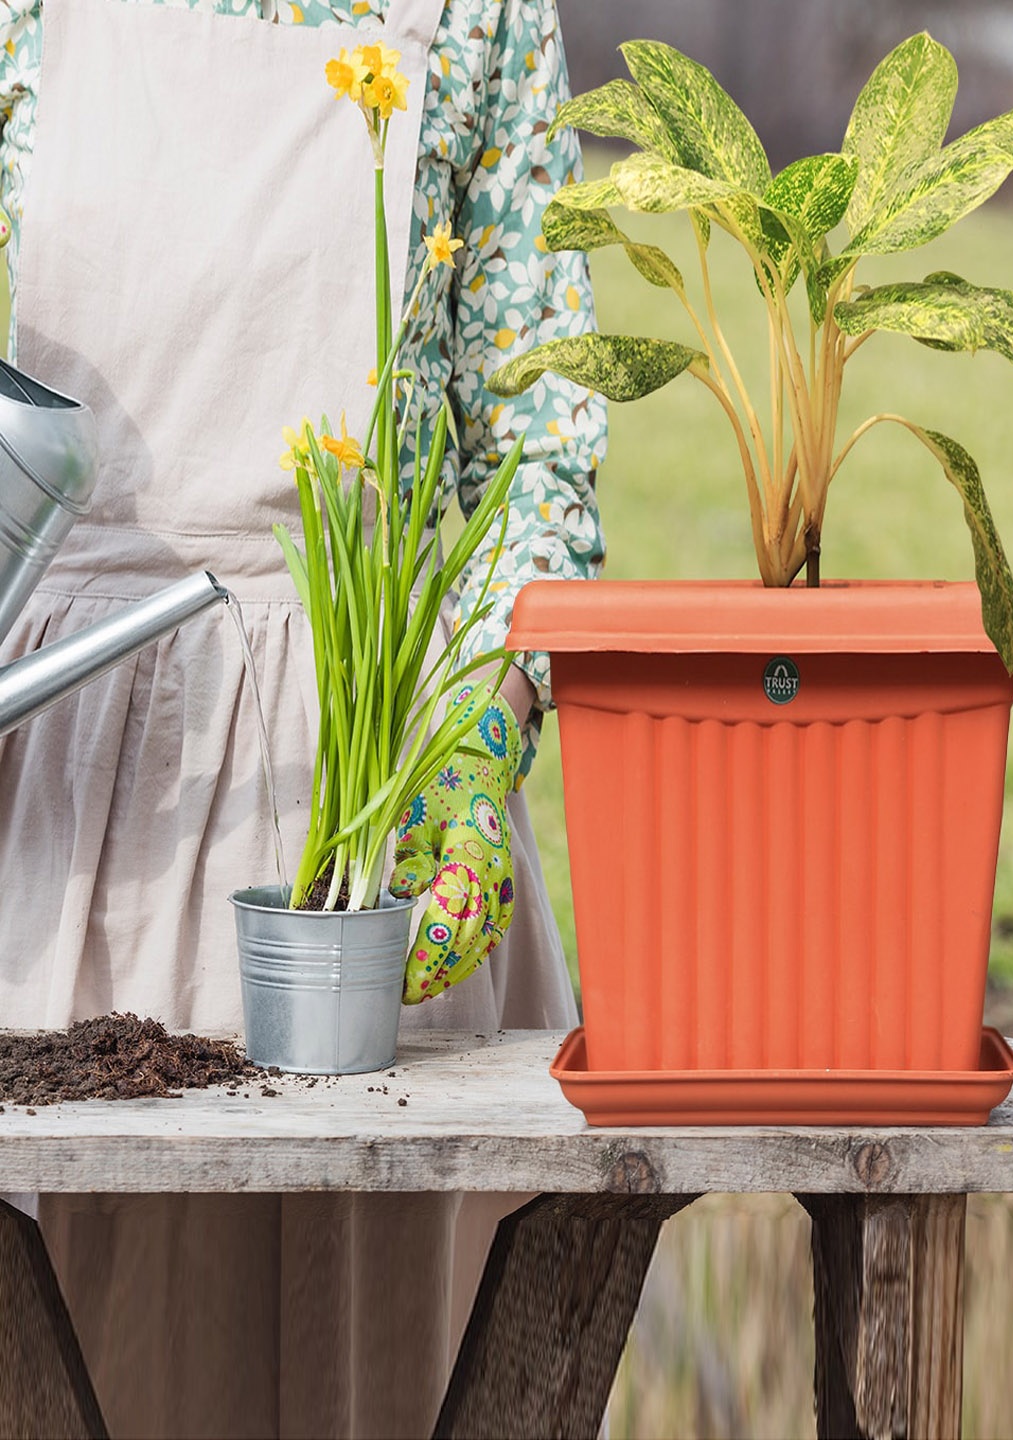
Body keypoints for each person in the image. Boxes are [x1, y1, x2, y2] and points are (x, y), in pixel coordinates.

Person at [0, 0, 606, 1434]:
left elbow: (544, 447)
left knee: (362, 1360)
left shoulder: (479, 15)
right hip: (49, 796)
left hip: (359, 818)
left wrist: (476, 753)